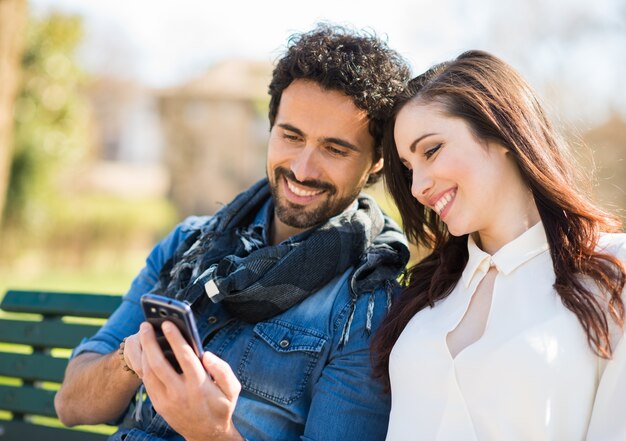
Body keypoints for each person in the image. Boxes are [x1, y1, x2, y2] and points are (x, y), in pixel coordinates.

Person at [54, 24, 411, 441]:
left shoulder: (366, 304)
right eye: (291, 136)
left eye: (335, 149)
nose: (302, 169)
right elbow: (71, 405)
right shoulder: (189, 243)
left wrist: (211, 432)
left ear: (376, 163)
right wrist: (132, 359)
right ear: (271, 126)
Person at [372, 50, 626, 441]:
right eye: (408, 168)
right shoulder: (424, 294)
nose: (418, 186)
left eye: (432, 150)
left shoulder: (613, 269)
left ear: (500, 130)